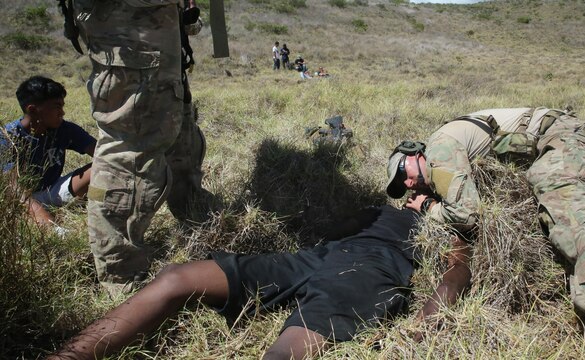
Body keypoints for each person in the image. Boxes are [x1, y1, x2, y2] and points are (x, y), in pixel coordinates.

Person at [49, 196, 471, 360]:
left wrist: (427, 326)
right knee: (177, 277)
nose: (413, 183)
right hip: (315, 255)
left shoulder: (444, 222)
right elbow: (335, 225)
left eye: (422, 178)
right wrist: (383, 204)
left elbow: (456, 270)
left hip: (374, 267)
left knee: (293, 342)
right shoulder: (377, 207)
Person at [385, 107, 585, 345]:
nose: (407, 184)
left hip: (563, 139)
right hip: (558, 139)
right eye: (400, 186)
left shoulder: (439, 147)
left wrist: (428, 207)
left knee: (567, 207)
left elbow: (467, 214)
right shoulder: (454, 147)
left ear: (415, 151)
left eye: (401, 172)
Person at [68, 0, 213, 292]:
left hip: (151, 39)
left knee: (177, 131)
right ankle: (121, 278)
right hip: (131, 37)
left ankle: (201, 229)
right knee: (129, 156)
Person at [0, 76, 96, 232]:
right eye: (57, 106)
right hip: (21, 199)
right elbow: (14, 190)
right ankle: (50, 226)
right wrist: (51, 225)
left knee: (104, 166)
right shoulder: (7, 138)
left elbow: (103, 155)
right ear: (33, 110)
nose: (62, 112)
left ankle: (102, 204)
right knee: (24, 208)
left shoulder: (65, 129)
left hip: (54, 190)